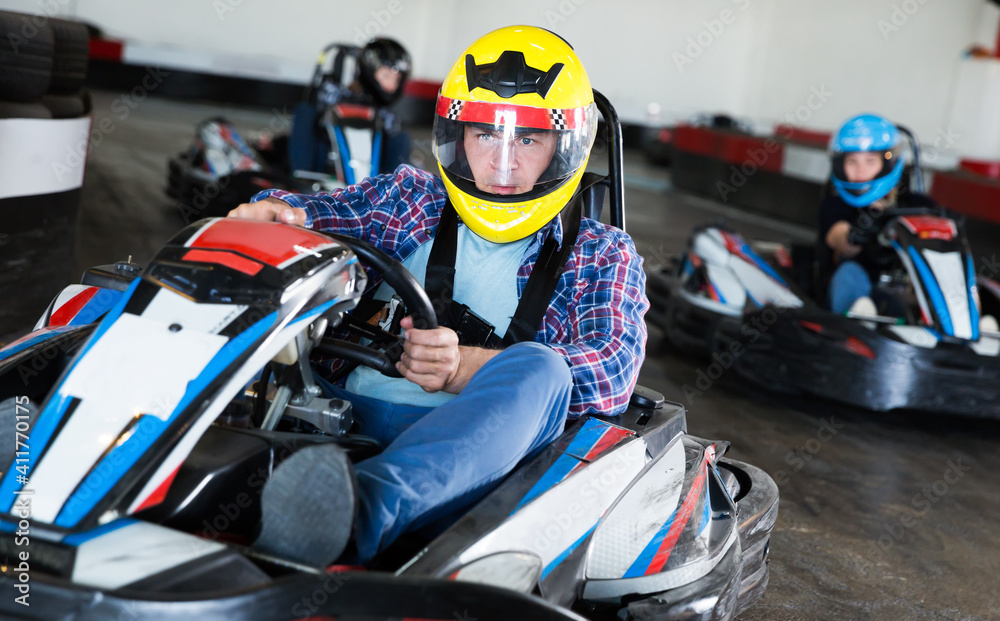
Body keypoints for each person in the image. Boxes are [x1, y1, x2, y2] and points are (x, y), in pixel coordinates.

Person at [228, 25, 649, 566]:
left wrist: (465, 369)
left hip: (481, 461)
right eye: (485, 136)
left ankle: (354, 514)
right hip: (325, 417)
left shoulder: (602, 253)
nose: (502, 164)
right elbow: (322, 213)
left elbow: (611, 373)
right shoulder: (411, 199)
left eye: (527, 139)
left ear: (565, 146)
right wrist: (280, 215)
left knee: (546, 370)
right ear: (456, 136)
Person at [819, 114, 932, 315]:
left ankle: (968, 323)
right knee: (849, 272)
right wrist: (861, 229)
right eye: (852, 162)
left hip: (906, 294)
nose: (860, 170)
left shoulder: (918, 205)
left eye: (870, 162)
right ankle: (858, 319)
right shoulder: (836, 205)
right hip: (854, 287)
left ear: (887, 164)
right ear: (840, 165)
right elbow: (840, 240)